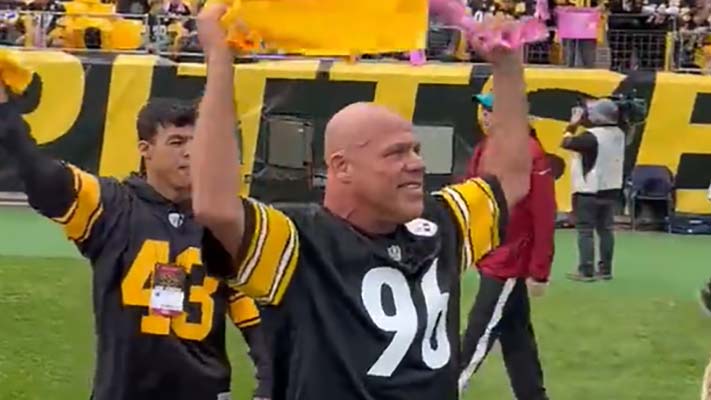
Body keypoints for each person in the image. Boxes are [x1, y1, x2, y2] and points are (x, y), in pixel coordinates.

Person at [191, 5, 532, 399]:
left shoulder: (440, 224)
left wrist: (507, 70)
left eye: (416, 150)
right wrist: (219, 61)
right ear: (342, 167)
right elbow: (215, 206)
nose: (417, 164)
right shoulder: (299, 243)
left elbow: (509, 179)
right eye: (396, 153)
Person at [0, 80, 272, 400]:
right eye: (176, 141)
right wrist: (5, 109)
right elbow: (41, 174)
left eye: (197, 143)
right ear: (145, 150)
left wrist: (268, 387)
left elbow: (259, 322)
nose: (190, 153)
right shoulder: (111, 206)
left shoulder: (226, 222)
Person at [459, 92, 555, 400]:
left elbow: (543, 213)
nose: (484, 116)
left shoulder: (529, 153)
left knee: (478, 332)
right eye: (484, 110)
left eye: (491, 111)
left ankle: (445, 390)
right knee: (517, 338)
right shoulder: (486, 148)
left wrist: (539, 270)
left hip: (509, 261)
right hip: (494, 255)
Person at [561, 99, 625, 282]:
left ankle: (586, 270)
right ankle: (606, 269)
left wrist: (572, 124)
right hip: (611, 187)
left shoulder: (591, 136)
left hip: (589, 189)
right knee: (606, 230)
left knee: (585, 230)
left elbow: (566, 142)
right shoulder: (619, 133)